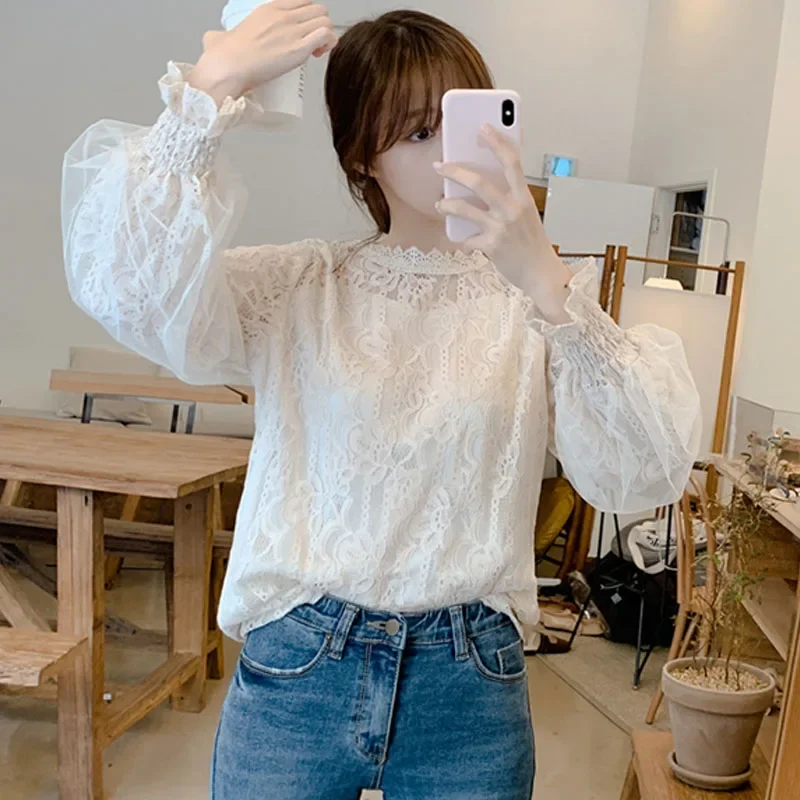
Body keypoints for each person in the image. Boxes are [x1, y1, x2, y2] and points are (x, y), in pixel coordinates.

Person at [61, 4, 702, 798]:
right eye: (419, 132)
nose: (450, 154)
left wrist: (541, 272)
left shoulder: (540, 304)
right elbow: (127, 287)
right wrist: (209, 88)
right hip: (300, 663)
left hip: (469, 678)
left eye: (462, 124)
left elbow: (644, 466)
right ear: (362, 154)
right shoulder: (299, 287)